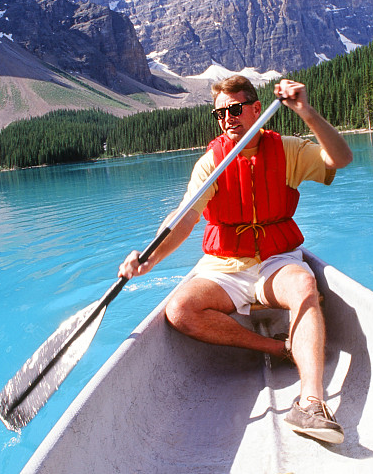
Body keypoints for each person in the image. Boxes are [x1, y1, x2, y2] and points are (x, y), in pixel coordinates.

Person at [118, 76, 353, 444]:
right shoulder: (211, 163)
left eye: (234, 109)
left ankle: (311, 402)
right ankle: (280, 348)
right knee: (179, 310)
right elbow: (183, 219)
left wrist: (306, 111)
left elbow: (340, 159)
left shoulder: (288, 150)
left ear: (256, 109)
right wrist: (148, 260)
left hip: (276, 259)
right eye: (220, 113)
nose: (227, 118)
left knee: (304, 284)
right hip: (225, 266)